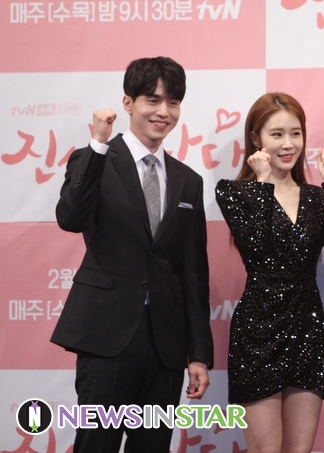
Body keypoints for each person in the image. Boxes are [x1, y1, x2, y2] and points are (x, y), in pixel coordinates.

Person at [51, 56, 213, 453]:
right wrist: (97, 144)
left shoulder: (188, 181)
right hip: (107, 335)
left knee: (153, 446)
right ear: (128, 103)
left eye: (172, 102)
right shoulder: (95, 158)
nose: (163, 112)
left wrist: (199, 355)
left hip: (166, 343)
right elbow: (70, 218)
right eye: (152, 100)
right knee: (96, 443)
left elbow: (193, 272)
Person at [214, 92, 324, 453]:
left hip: (306, 328)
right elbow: (257, 247)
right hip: (258, 332)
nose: (288, 144)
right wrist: (263, 183)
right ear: (256, 139)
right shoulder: (234, 192)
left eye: (296, 133)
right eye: (277, 134)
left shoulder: (315, 197)